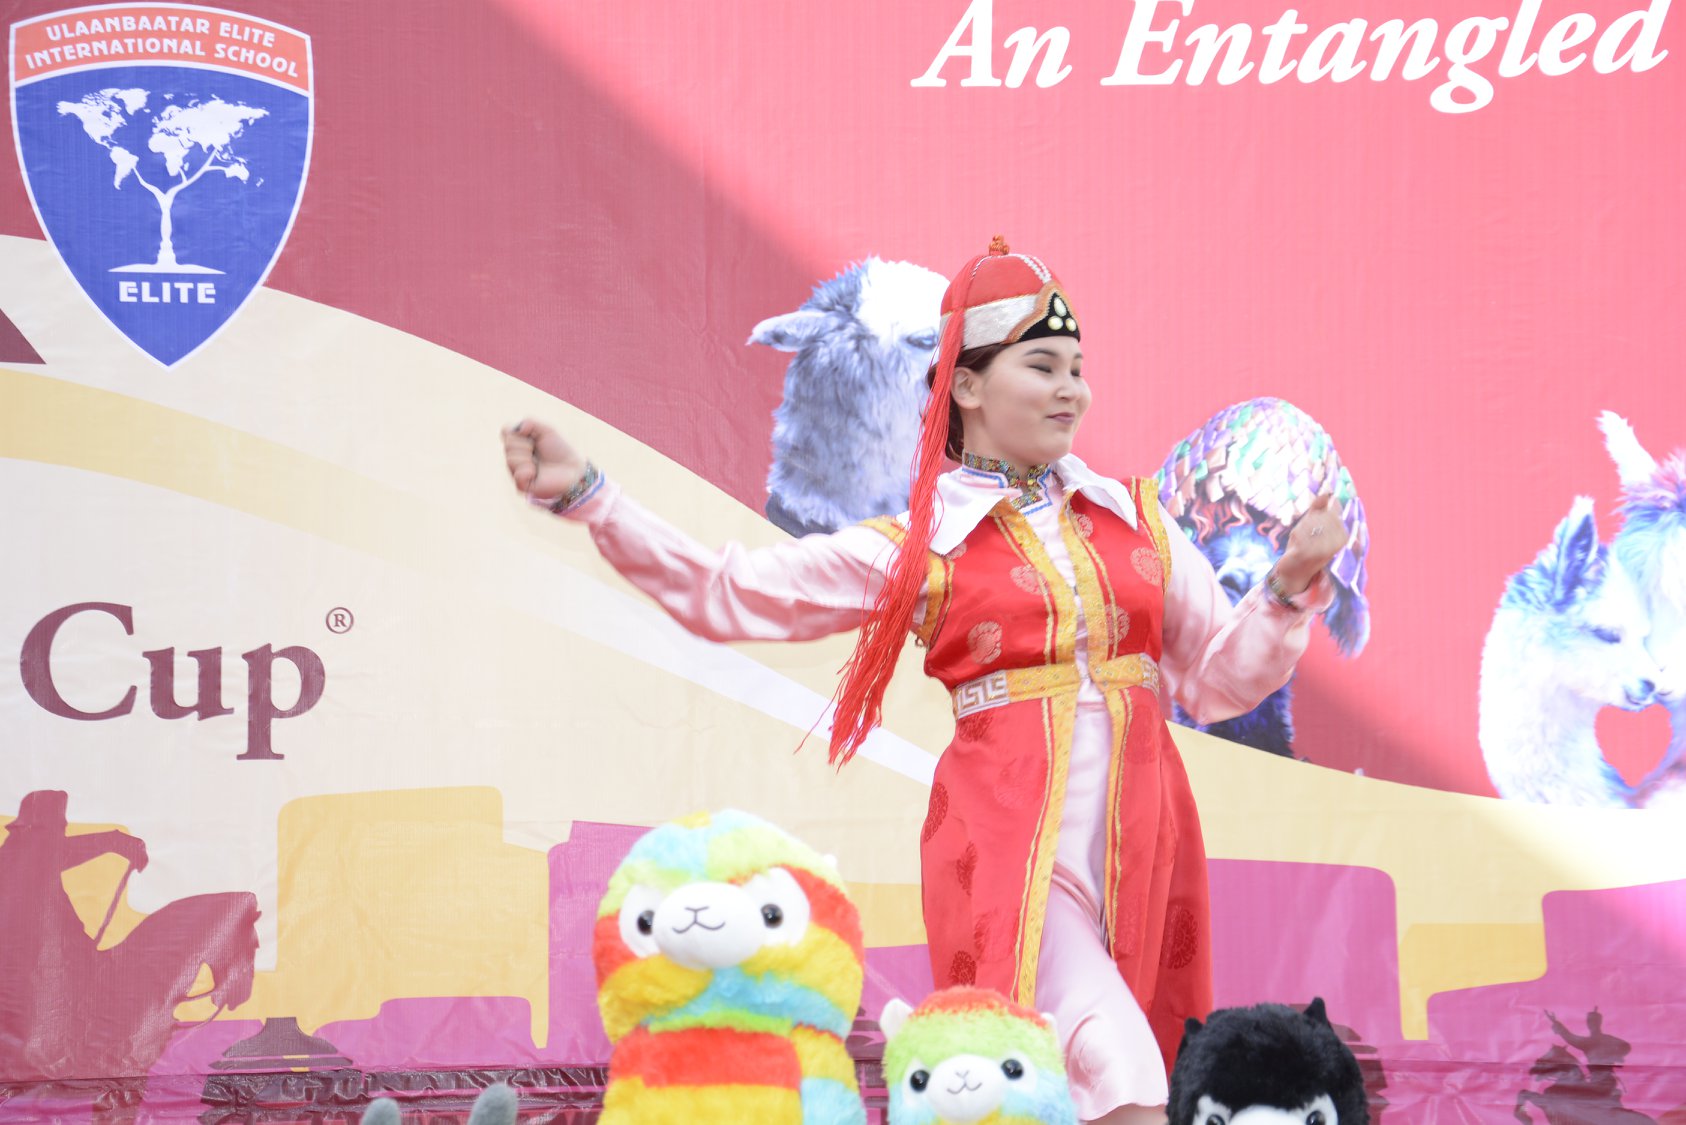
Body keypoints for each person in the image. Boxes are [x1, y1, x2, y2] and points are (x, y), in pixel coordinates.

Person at [501, 239, 1347, 1124]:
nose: (1071, 389)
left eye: (1077, 369)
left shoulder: (1135, 519)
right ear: (967, 386)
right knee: (1113, 1058)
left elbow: (1216, 685)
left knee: (1130, 1074)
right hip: (1006, 849)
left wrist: (1288, 587)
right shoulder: (923, 545)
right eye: (1043, 366)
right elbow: (732, 591)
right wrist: (592, 496)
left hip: (1149, 842)